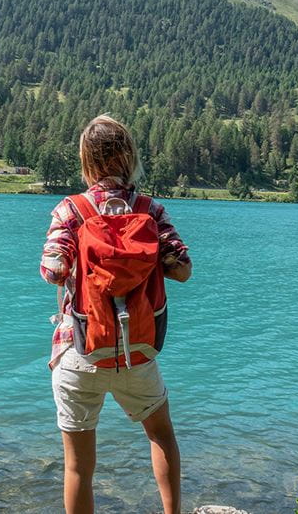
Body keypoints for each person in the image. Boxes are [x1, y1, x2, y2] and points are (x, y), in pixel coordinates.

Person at [40, 114, 192, 514]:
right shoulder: (151, 210)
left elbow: (52, 271)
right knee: (160, 434)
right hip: (138, 350)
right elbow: (183, 270)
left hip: (80, 349)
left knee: (78, 467)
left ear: (87, 162)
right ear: (130, 157)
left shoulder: (71, 210)